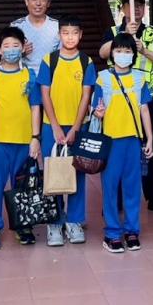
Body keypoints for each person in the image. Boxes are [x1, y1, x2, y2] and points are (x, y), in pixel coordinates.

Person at [99, 0, 153, 215]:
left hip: (147, 98)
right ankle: (116, 198)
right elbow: (102, 53)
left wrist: (145, 50)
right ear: (123, 8)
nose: (136, 9)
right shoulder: (113, 32)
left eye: (140, 5)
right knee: (116, 149)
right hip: (117, 101)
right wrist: (123, 37)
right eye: (131, 5)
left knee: (148, 148)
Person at [0, 26, 42, 251]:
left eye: (16, 45)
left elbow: (35, 107)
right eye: (7, 46)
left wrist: (35, 137)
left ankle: (23, 225)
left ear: (23, 48)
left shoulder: (29, 75)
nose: (11, 49)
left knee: (22, 186)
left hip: (23, 141)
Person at [37, 16, 97, 247]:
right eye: (65, 33)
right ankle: (54, 222)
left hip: (77, 126)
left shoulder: (86, 61)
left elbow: (86, 96)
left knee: (77, 172)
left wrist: (75, 128)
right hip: (50, 126)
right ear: (59, 35)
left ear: (80, 35)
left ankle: (74, 221)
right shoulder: (49, 60)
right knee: (52, 172)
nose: (70, 37)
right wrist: (54, 125)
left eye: (74, 33)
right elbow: (45, 94)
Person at [93, 33, 153, 254]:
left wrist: (149, 138)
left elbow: (144, 109)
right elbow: (96, 108)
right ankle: (112, 233)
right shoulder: (102, 78)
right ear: (111, 54)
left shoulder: (140, 78)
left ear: (134, 55)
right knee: (110, 188)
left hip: (133, 140)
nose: (123, 55)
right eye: (118, 51)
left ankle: (131, 231)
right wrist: (98, 113)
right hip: (110, 141)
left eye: (127, 51)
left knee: (132, 188)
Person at [12, 0, 60, 75]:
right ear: (26, 1)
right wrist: (20, 53)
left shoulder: (58, 26)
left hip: (51, 78)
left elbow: (65, 57)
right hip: (24, 78)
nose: (38, 3)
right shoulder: (16, 26)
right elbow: (5, 59)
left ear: (48, 3)